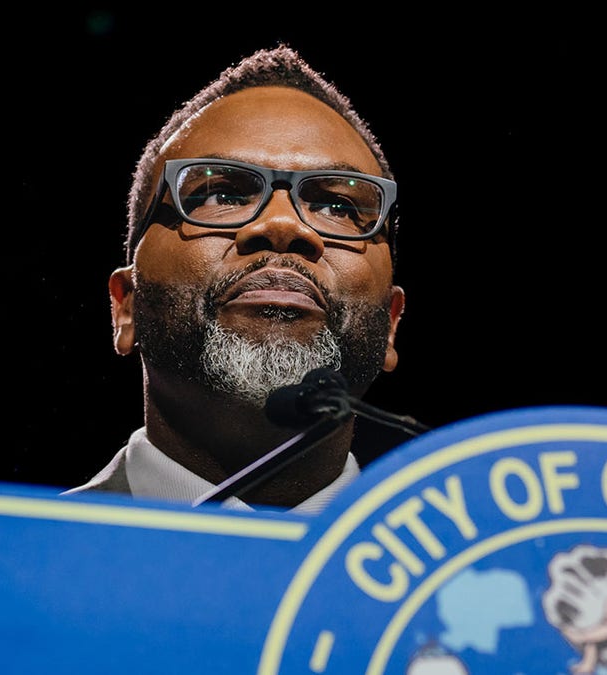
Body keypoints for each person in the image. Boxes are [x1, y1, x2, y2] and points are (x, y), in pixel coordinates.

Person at [63, 44, 405, 514]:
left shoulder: (494, 559)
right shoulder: (2, 554)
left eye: (337, 206)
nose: (283, 225)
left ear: (391, 324)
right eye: (219, 194)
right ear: (126, 307)